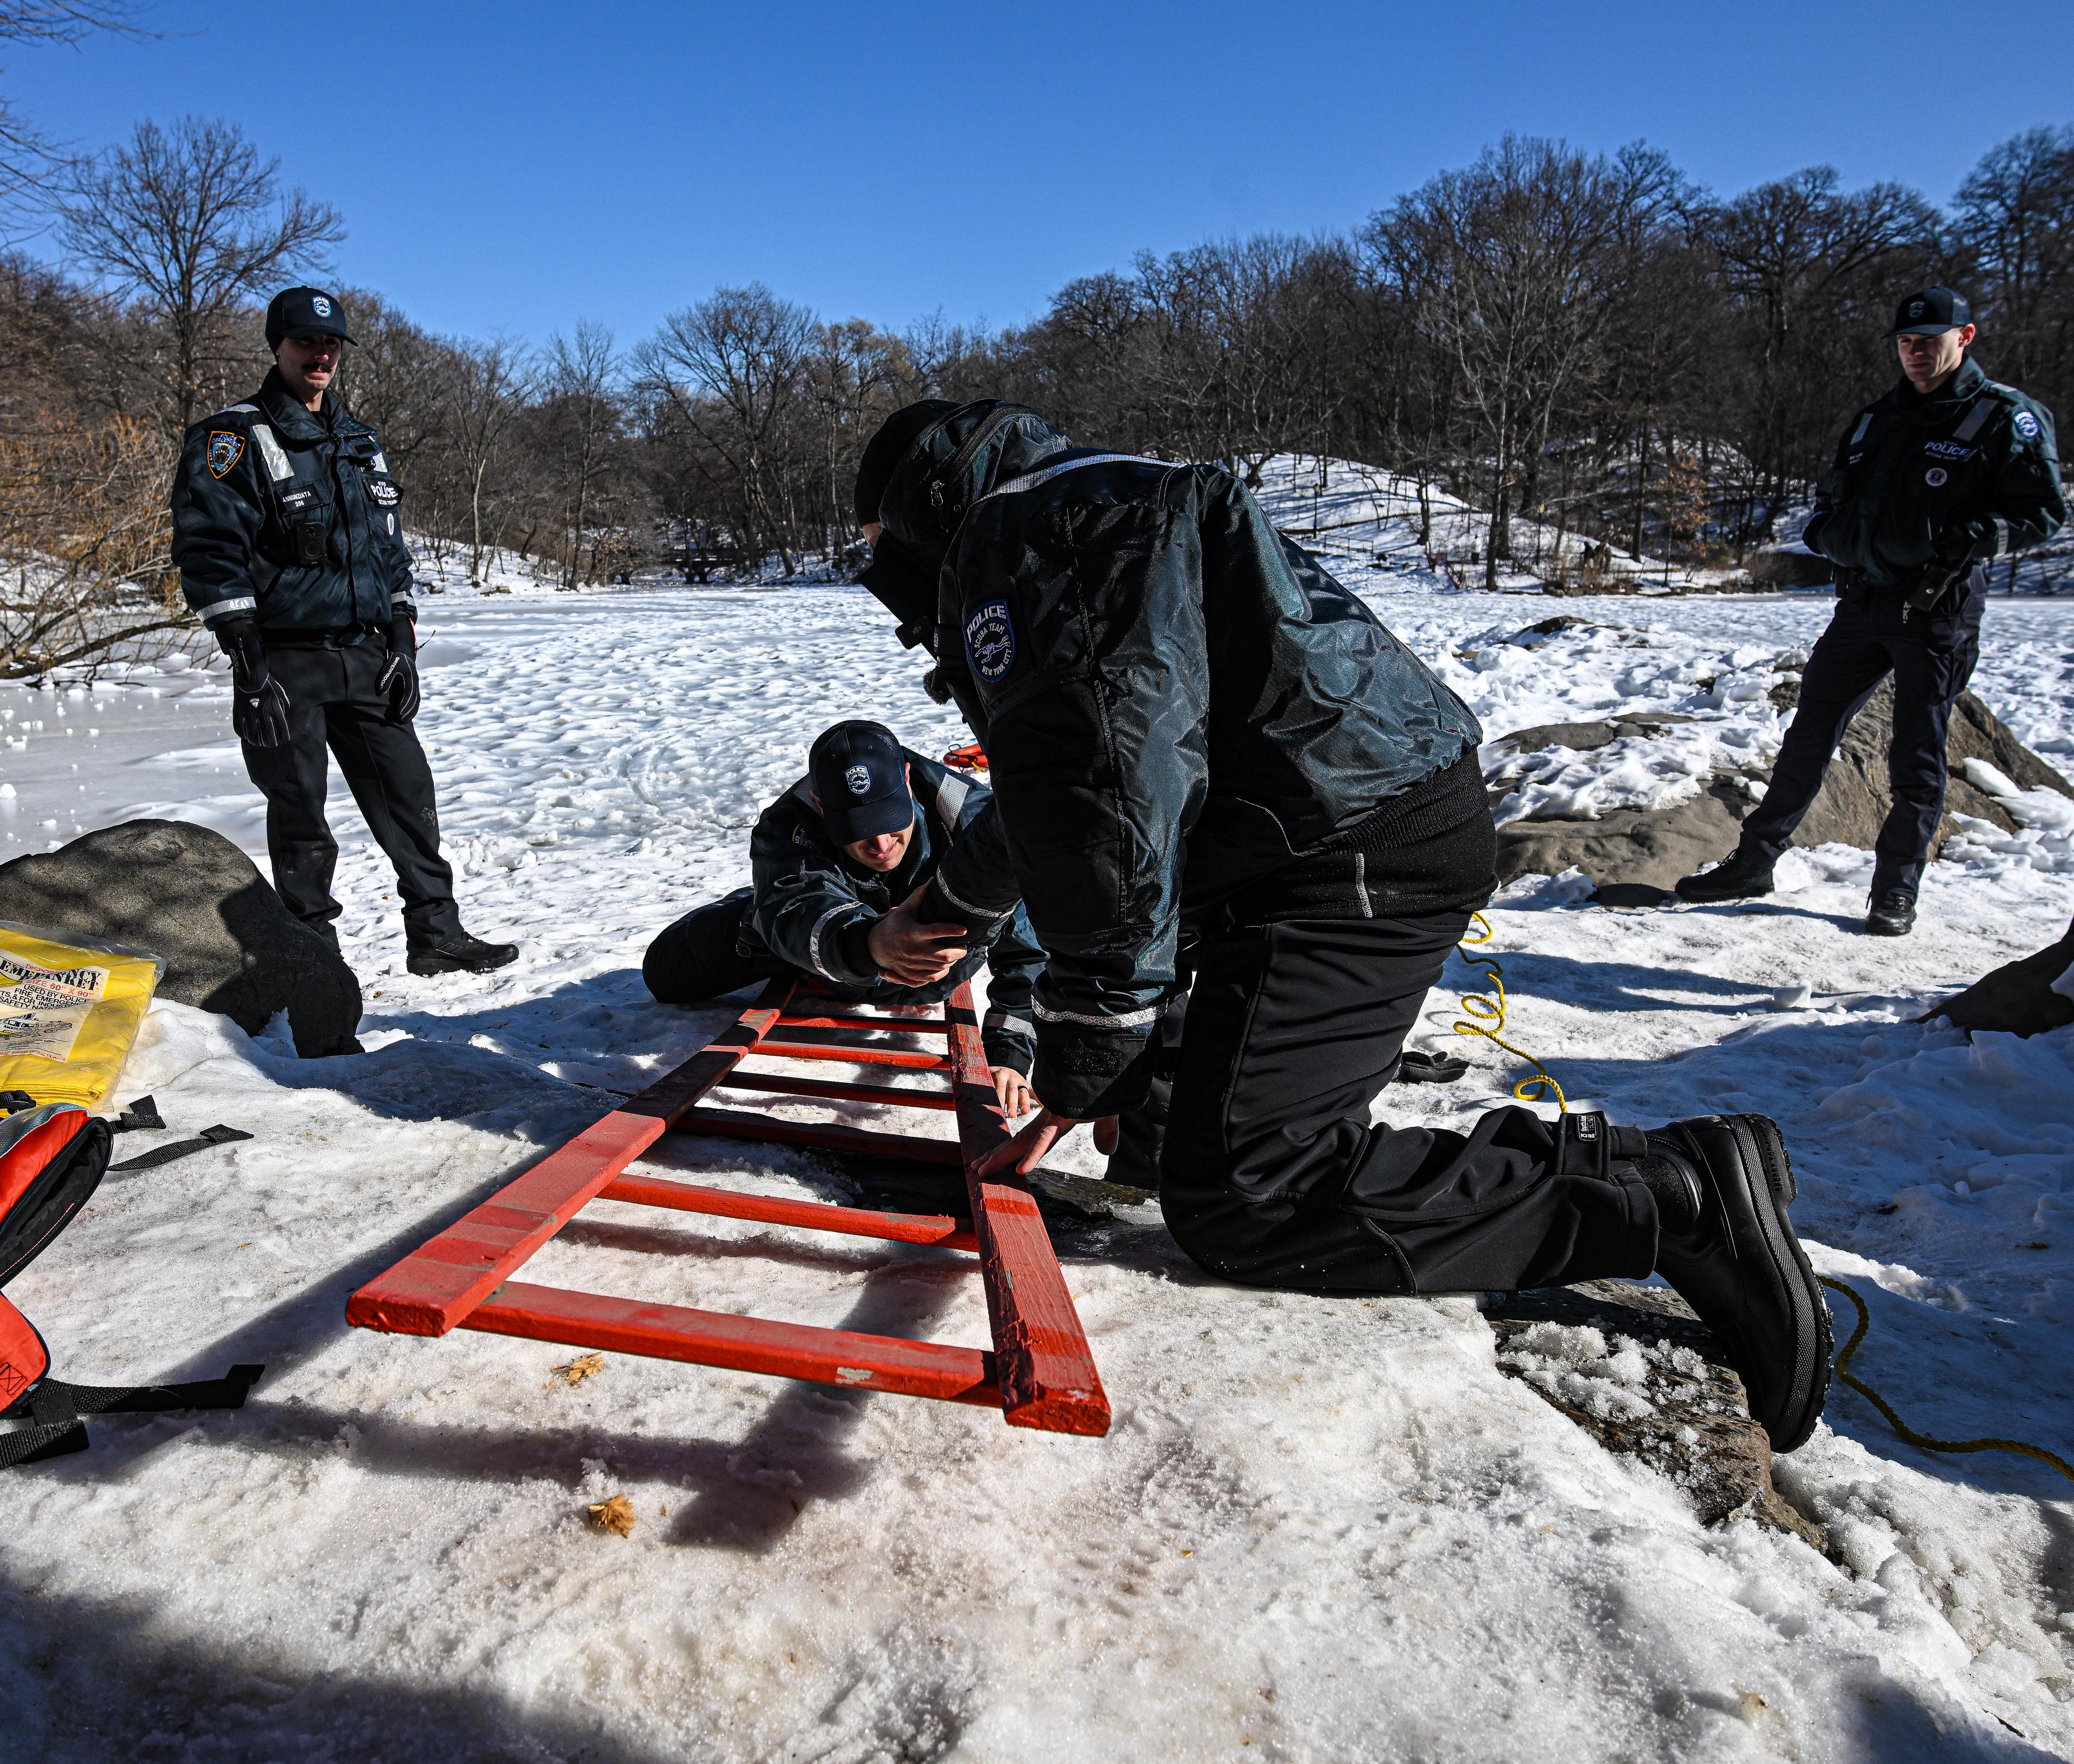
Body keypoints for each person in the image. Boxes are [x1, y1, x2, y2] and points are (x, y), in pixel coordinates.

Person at [849, 398, 1832, 1451]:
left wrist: (1096, 1023)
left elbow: (1103, 789)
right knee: (1165, 1138)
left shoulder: (1024, 535)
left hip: (1342, 851)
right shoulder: (1081, 500)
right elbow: (1058, 783)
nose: (892, 581)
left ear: (916, 507)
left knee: (1245, 1195)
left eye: (879, 548)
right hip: (1319, 832)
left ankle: (1670, 1194)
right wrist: (946, 908)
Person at [1676, 285, 2066, 935]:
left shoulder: (2003, 418)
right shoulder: (1876, 418)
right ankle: (1753, 863)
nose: (1915, 353)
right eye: (1906, 342)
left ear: (1965, 338)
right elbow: (1832, 498)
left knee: (1916, 754)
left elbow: (2044, 513)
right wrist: (1828, 533)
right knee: (1808, 736)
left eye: (1929, 341)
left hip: (1938, 607)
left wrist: (1960, 540)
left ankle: (1895, 890)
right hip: (1862, 603)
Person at [170, 286, 517, 977]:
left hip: (365, 655)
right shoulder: (231, 438)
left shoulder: (360, 442)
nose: (320, 355)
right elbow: (211, 553)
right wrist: (248, 665)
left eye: (331, 344)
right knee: (301, 818)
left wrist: (402, 637)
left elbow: (388, 551)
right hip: (284, 663)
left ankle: (436, 933)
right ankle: (314, 963)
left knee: (409, 798)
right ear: (278, 346)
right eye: (306, 342)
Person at [641, 719, 1046, 1115]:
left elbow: (1027, 948)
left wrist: (1009, 1054)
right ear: (821, 803)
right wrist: (869, 944)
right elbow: (796, 907)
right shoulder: (789, 824)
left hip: (918, 969)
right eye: (860, 828)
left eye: (890, 820)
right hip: (816, 945)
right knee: (668, 972)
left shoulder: (975, 819)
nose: (882, 845)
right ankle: (760, 911)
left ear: (906, 780)